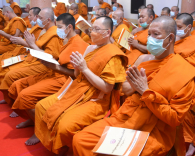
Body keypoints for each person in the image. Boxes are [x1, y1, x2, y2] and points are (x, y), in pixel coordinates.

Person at [72, 16, 195, 156]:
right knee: (80, 140)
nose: (150, 39)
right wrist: (136, 87)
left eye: (156, 34)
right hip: (126, 117)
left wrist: (145, 91)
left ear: (170, 39)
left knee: (111, 152)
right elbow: (125, 90)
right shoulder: (144, 60)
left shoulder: (184, 72)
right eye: (149, 34)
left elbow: (174, 118)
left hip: (154, 130)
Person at [35, 16, 128, 154]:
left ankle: (68, 150)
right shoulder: (90, 48)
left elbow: (107, 88)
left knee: (65, 124)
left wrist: (84, 68)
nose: (91, 32)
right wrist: (78, 67)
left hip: (96, 99)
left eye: (96, 29)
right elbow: (78, 76)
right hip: (76, 90)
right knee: (41, 107)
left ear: (107, 32)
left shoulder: (113, 55)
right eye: (91, 28)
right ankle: (58, 147)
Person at [6, 13, 89, 145]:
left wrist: (55, 67)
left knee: (25, 96)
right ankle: (32, 119)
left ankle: (39, 131)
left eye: (60, 27)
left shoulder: (79, 44)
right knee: (19, 85)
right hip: (53, 72)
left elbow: (76, 74)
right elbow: (58, 58)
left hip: (64, 79)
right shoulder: (67, 40)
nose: (58, 30)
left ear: (69, 27)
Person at [0, 8, 63, 103]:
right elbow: (39, 46)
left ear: (48, 20)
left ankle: (15, 101)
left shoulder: (54, 34)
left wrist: (31, 44)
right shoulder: (46, 31)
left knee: (10, 74)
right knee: (4, 66)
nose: (37, 19)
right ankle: (9, 98)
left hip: (43, 64)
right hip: (33, 57)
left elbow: (49, 57)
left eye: (40, 17)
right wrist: (30, 44)